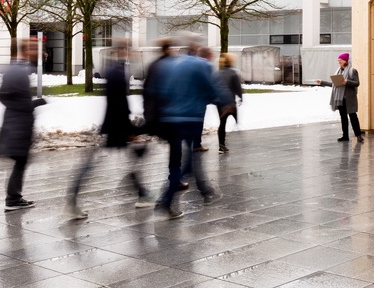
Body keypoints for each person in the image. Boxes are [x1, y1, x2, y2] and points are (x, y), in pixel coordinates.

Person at [66, 40, 151, 219]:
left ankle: (143, 193)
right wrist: (128, 129)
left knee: (129, 158)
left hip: (115, 124)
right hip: (116, 125)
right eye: (131, 50)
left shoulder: (115, 71)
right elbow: (118, 103)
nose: (134, 53)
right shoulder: (117, 73)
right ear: (124, 51)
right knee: (98, 163)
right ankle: (72, 199)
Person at [152, 36, 233, 219]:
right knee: (187, 164)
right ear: (199, 50)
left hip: (170, 117)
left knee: (185, 159)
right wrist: (225, 102)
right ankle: (164, 201)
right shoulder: (201, 65)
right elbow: (212, 88)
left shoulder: (174, 64)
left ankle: (203, 191)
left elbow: (163, 89)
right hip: (189, 117)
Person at [0, 38, 46, 212]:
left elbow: (6, 97)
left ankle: (14, 197)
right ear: (25, 51)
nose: (37, 51)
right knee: (20, 161)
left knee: (21, 162)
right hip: (18, 125)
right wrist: (34, 104)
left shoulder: (18, 70)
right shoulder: (17, 72)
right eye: (33, 48)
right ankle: (13, 199)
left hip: (17, 124)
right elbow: (5, 97)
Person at [316, 52, 364, 143]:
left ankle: (359, 136)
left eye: (340, 60)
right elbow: (334, 85)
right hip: (340, 99)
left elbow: (357, 83)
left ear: (345, 61)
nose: (339, 62)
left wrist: (347, 82)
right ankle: (345, 136)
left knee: (353, 116)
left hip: (349, 99)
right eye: (338, 60)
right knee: (343, 117)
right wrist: (322, 82)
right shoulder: (338, 71)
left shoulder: (352, 71)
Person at [216, 53, 243, 154]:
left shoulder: (218, 73)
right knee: (234, 115)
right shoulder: (233, 73)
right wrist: (240, 97)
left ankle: (221, 145)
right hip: (229, 101)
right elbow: (237, 87)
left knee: (222, 123)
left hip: (220, 102)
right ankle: (238, 129)